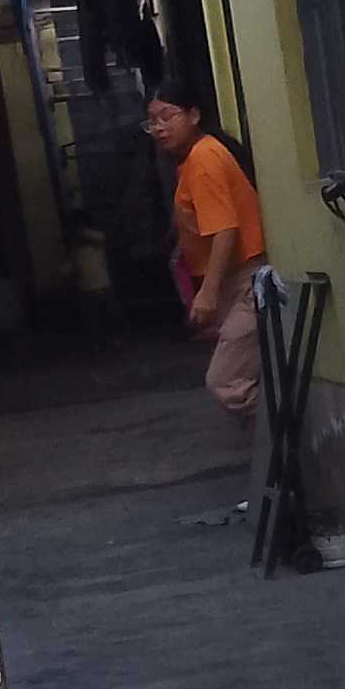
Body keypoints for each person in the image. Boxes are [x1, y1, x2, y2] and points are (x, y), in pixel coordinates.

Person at [146, 79, 264, 431]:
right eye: (152, 121)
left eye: (167, 116)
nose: (159, 127)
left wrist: (208, 293)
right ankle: (276, 442)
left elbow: (225, 228)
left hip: (244, 281)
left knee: (226, 382)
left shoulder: (204, 158)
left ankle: (290, 438)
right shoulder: (194, 160)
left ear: (194, 115)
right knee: (245, 372)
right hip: (235, 282)